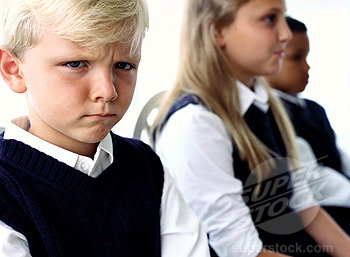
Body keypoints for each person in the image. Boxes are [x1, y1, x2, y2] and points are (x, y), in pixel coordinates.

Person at [0, 0, 210, 256]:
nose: (108, 91)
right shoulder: (6, 193)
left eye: (123, 65)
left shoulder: (147, 167)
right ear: (14, 70)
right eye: (76, 64)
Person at [152, 0, 350, 256]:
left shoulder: (264, 106)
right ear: (218, 31)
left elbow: (303, 203)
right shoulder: (195, 124)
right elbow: (242, 250)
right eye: (270, 19)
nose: (286, 34)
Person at [266, 16, 350, 231]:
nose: (307, 67)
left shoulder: (313, 109)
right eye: (296, 58)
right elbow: (314, 178)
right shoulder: (269, 115)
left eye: (307, 56)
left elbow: (338, 158)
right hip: (320, 216)